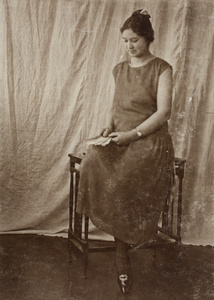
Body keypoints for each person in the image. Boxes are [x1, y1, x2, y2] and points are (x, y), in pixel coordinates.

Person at [77, 9, 174, 294]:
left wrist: (132, 135)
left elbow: (164, 112)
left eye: (135, 40)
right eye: (125, 40)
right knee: (92, 159)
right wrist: (107, 128)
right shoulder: (118, 69)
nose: (129, 46)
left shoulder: (162, 68)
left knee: (124, 179)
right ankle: (125, 240)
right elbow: (115, 104)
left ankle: (122, 254)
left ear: (148, 39)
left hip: (148, 140)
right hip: (119, 137)